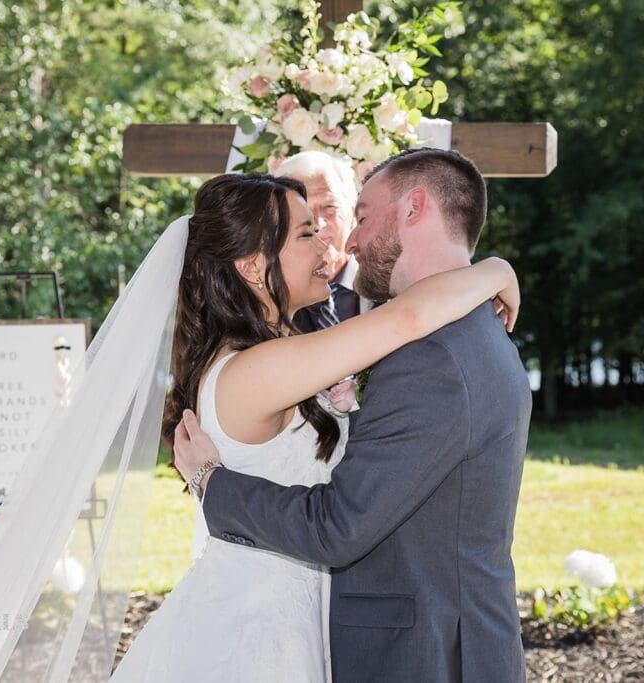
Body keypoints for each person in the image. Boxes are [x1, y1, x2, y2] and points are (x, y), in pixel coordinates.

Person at [111, 169, 519, 681]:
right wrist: (495, 270)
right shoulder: (254, 369)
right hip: (255, 635)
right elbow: (406, 320)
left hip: (304, 617)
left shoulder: (284, 356)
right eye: (306, 233)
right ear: (254, 266)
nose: (330, 242)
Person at [273, 151, 367, 332]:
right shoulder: (269, 294)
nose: (317, 224)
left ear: (354, 211)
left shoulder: (388, 281)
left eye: (329, 207)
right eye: (303, 212)